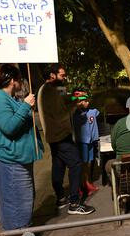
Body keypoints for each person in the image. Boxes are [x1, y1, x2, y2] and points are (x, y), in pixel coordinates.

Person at [0, 64, 44, 236]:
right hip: (9, 160)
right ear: (13, 81)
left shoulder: (7, 97)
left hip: (19, 158)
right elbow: (9, 127)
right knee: (15, 199)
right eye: (20, 79)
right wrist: (26, 105)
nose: (22, 82)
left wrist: (27, 106)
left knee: (24, 197)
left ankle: (22, 234)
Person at [37, 64, 95, 215]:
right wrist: (75, 104)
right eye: (62, 75)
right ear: (52, 75)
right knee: (76, 163)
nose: (65, 78)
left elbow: (64, 100)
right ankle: (74, 203)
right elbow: (60, 113)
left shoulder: (56, 88)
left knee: (58, 165)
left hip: (57, 135)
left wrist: (75, 97)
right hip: (59, 135)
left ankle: (61, 198)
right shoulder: (49, 91)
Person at [72, 91, 100, 197]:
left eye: (87, 100)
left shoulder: (93, 111)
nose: (87, 102)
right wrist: (76, 101)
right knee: (82, 164)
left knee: (88, 163)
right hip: (82, 142)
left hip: (91, 141)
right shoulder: (76, 114)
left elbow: (98, 110)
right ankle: (81, 185)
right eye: (84, 101)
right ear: (78, 102)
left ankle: (88, 182)